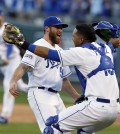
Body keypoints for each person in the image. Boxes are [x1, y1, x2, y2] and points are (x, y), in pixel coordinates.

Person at [4, 23, 120, 133]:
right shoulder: (106, 49)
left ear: (81, 39)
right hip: (114, 110)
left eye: (74, 36)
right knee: (84, 130)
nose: (72, 39)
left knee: (52, 126)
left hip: (96, 107)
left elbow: (50, 54)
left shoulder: (81, 52)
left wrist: (23, 43)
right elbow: (113, 43)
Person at [9, 16, 80, 133]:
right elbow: (23, 66)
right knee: (51, 131)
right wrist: (13, 81)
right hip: (40, 94)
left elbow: (64, 80)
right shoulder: (37, 46)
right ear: (47, 28)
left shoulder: (60, 51)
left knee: (66, 131)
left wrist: (76, 97)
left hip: (56, 96)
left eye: (61, 28)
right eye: (57, 27)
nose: (60, 30)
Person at [0, 9, 28, 124]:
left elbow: (10, 45)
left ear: (2, 16)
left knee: (8, 84)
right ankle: (38, 88)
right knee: (20, 85)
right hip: (3, 63)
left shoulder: (7, 27)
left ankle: (5, 115)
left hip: (13, 60)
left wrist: (6, 57)